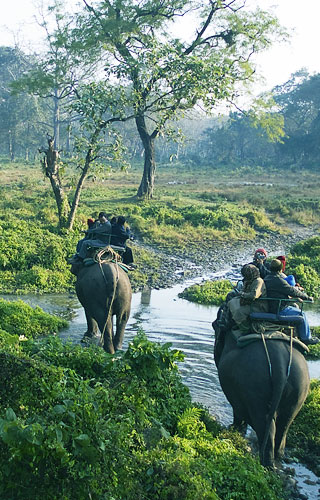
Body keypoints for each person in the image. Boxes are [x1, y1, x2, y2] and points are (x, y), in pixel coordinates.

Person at [264, 259, 319, 345]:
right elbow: (293, 291)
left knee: (294, 307)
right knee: (302, 314)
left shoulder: (267, 278)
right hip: (280, 309)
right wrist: (307, 297)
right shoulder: (279, 281)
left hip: (271, 306)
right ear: (280, 269)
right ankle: (306, 338)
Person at [228, 264, 269, 333]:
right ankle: (235, 323)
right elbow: (244, 291)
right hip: (249, 303)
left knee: (239, 312)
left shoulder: (258, 281)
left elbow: (254, 296)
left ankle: (245, 328)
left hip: (258, 305)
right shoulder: (248, 281)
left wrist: (242, 294)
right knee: (231, 302)